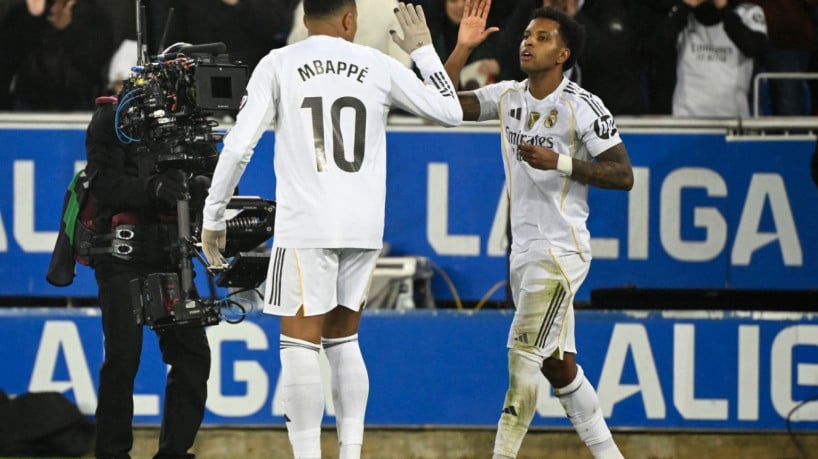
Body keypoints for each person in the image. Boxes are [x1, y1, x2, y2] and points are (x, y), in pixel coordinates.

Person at [200, 1, 463, 458]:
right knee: (344, 341)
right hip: (362, 225)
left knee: (299, 346)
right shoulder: (377, 64)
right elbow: (450, 112)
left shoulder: (279, 63)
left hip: (307, 223)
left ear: (305, 19)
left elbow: (239, 144)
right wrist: (423, 52)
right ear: (349, 20)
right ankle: (350, 453)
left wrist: (213, 215)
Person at [445, 4, 631, 458]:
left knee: (521, 355)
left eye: (543, 37)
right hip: (524, 251)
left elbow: (623, 174)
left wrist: (561, 162)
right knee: (558, 367)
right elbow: (443, 105)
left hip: (559, 251)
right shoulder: (507, 96)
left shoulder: (582, 107)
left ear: (563, 53)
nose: (528, 42)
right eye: (527, 35)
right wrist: (462, 48)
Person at [84, 95, 212, 458]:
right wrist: (152, 189)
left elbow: (214, 180)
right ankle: (112, 453)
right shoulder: (115, 117)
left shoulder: (194, 124)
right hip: (122, 255)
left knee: (191, 357)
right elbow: (104, 184)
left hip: (173, 256)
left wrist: (205, 189)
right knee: (123, 358)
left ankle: (174, 453)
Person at [498, 0, 647, 115]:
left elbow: (614, 58)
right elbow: (509, 58)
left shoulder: (607, 6)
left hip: (603, 114)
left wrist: (575, 17)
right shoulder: (530, 7)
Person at [647, 0, 767, 117]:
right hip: (686, 118)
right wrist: (686, 6)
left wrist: (723, 7)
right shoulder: (682, 12)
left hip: (733, 119)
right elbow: (658, 48)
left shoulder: (747, 11)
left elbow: (753, 48)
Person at [0, 0, 113, 111]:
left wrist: (66, 29)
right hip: (26, 108)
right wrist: (32, 19)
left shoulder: (94, 16)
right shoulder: (21, 13)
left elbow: (94, 64)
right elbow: (7, 62)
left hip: (79, 110)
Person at [287, 0, 413, 68]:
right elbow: (294, 50)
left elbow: (401, 65)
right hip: (316, 93)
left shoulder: (388, 7)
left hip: (370, 103)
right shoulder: (313, 4)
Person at [749, 0, 817, 116]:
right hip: (742, 35)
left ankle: (793, 134)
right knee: (734, 96)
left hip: (788, 39)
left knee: (789, 104)